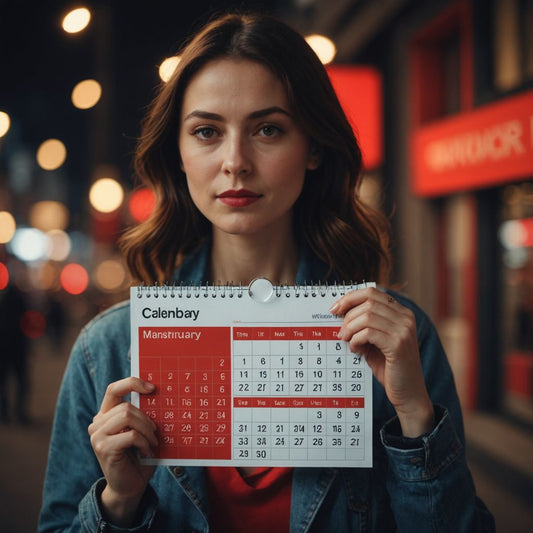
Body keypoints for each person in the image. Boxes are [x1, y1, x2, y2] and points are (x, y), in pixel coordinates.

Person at [38, 12, 495, 532]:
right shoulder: (108, 349)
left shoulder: (397, 340)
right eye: (207, 131)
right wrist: (119, 501)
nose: (235, 161)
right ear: (179, 153)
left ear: (314, 147)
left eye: (268, 129)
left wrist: (415, 414)